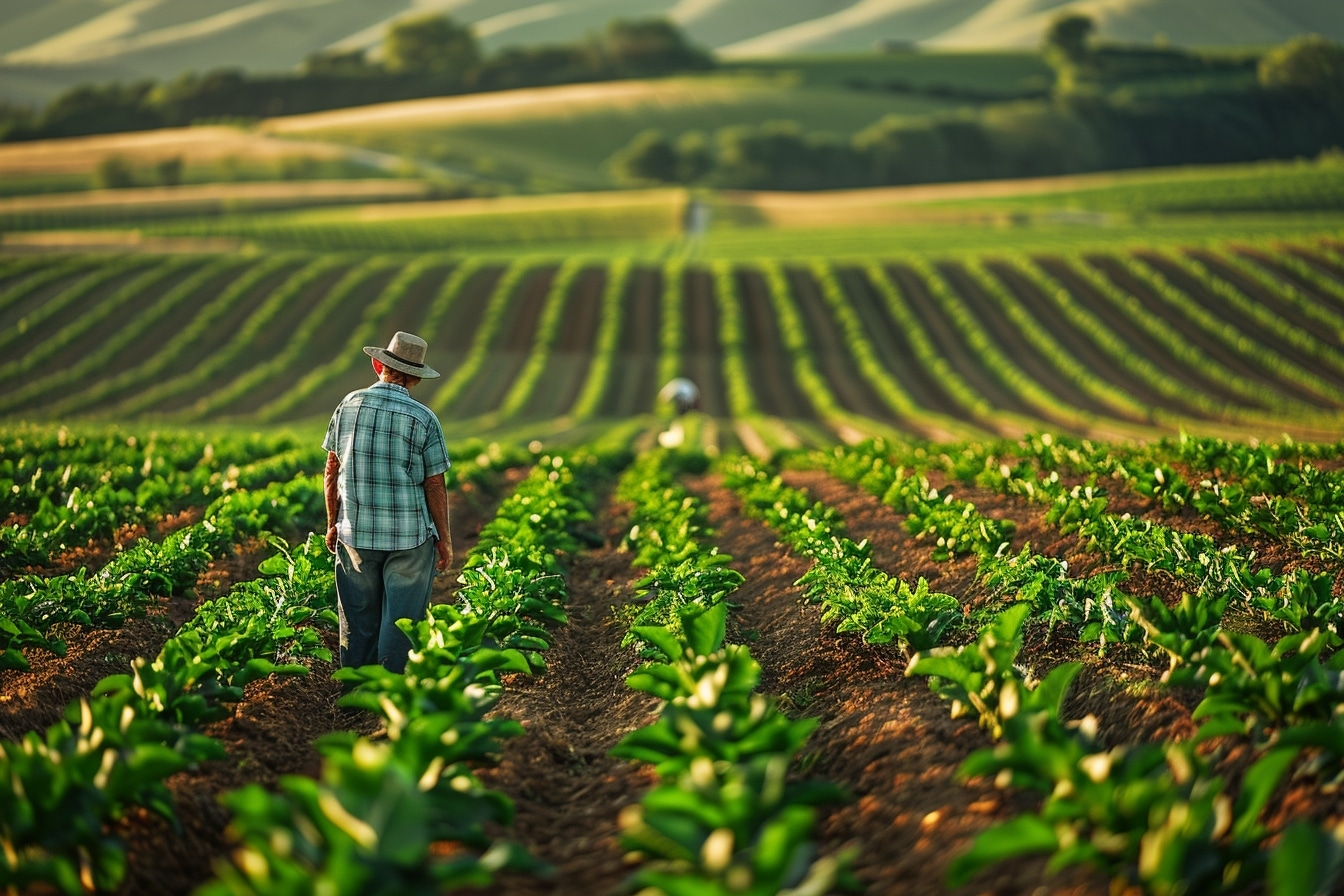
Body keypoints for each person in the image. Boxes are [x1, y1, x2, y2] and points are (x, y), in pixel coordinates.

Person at [323, 330, 452, 673]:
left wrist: (332, 523)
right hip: (409, 538)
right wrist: (445, 539)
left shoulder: (348, 405)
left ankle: (356, 696)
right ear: (416, 379)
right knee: (402, 621)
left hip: (355, 534)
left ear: (378, 365)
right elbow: (434, 484)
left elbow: (331, 469)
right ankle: (392, 693)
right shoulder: (424, 418)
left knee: (357, 618)